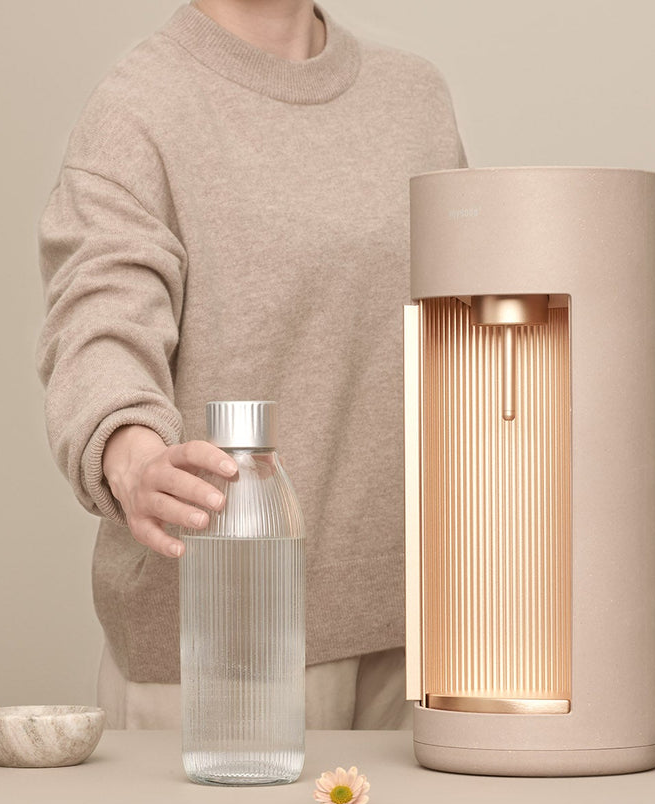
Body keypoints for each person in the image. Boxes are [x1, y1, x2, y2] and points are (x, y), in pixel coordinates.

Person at [37, 0, 465, 729]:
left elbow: (468, 322)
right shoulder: (140, 106)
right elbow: (100, 314)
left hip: (422, 638)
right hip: (223, 645)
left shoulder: (415, 97)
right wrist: (131, 453)